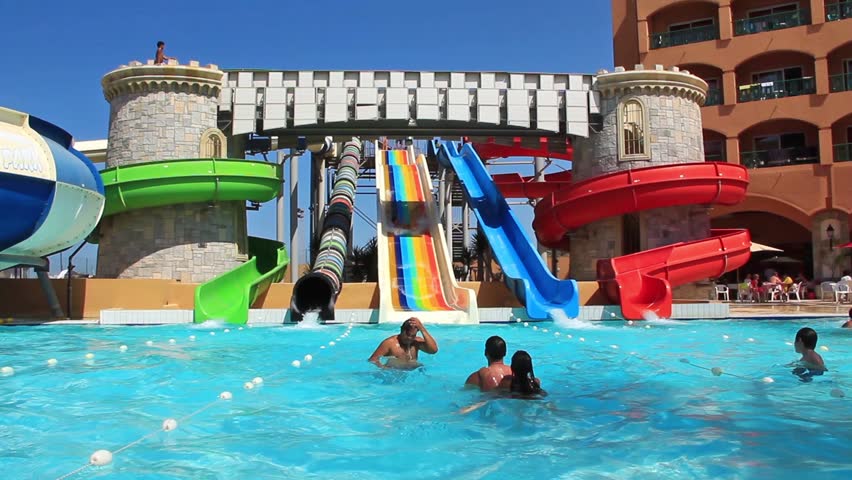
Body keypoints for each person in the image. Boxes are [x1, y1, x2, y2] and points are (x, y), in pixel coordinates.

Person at [368, 317, 437, 369]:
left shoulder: (416, 342)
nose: (410, 338)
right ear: (401, 330)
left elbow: (433, 350)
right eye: (407, 335)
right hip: (394, 373)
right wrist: (384, 369)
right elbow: (373, 360)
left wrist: (422, 329)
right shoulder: (390, 343)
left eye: (413, 336)